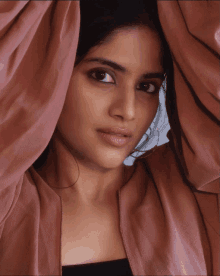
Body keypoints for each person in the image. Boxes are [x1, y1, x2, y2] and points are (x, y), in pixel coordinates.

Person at [0, 1, 219, 276]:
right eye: (102, 76)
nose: (127, 110)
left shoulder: (193, 190)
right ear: (55, 72)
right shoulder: (8, 203)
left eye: (146, 86)